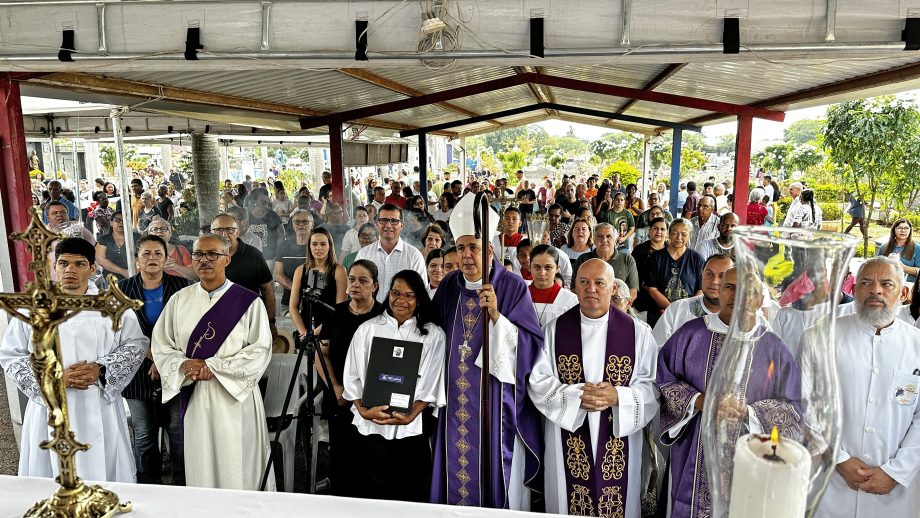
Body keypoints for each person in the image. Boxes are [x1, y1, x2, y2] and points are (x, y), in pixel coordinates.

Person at [657, 266, 802, 518]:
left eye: (748, 290)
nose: (737, 295)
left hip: (751, 452)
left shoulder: (773, 347)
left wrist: (750, 411)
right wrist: (699, 401)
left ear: (759, 298)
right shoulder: (691, 334)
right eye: (730, 287)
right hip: (694, 446)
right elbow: (664, 380)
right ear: (719, 292)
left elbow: (793, 406)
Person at [0, 238, 146, 482]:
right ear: (54, 267)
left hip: (99, 402)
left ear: (92, 268)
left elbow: (136, 345)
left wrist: (101, 369)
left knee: (103, 465)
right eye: (63, 263)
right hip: (51, 404)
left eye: (79, 264)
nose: (70, 270)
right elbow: (11, 354)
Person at [431, 193, 544, 509]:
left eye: (474, 247)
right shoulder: (449, 284)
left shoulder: (511, 286)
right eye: (461, 247)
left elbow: (531, 347)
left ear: (490, 250)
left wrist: (496, 316)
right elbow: (429, 333)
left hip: (494, 403)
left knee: (492, 472)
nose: (466, 255)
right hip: (452, 399)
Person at [528, 259, 659, 517]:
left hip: (619, 434)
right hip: (567, 431)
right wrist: (576, 396)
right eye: (584, 282)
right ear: (574, 286)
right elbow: (538, 380)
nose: (591, 289)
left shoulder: (638, 333)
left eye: (600, 283)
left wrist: (619, 396)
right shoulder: (554, 330)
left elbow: (653, 386)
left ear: (613, 288)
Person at [151, 233, 273, 490]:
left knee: (238, 462)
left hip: (234, 399)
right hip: (195, 397)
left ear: (227, 259)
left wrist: (213, 367)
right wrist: (183, 366)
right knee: (201, 464)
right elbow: (162, 345)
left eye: (213, 254)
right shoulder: (178, 301)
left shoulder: (248, 302)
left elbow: (260, 350)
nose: (204, 260)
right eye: (198, 254)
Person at [813, 257, 920, 517]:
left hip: (896, 492)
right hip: (830, 484)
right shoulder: (821, 336)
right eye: (866, 283)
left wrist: (896, 471)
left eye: (886, 284)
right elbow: (805, 404)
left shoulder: (917, 345)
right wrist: (839, 458)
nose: (876, 290)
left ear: (903, 292)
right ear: (853, 289)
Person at [343, 270, 446, 502]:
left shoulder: (432, 335)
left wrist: (411, 415)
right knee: (372, 491)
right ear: (387, 293)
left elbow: (433, 380)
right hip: (372, 422)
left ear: (419, 298)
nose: (401, 300)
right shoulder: (368, 329)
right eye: (396, 293)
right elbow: (352, 375)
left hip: (411, 426)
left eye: (409, 295)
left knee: (410, 490)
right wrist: (362, 409)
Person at [118, 235, 189, 485]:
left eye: (158, 253)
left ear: (166, 259)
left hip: (174, 369)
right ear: (137, 260)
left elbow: (189, 329)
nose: (152, 258)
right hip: (137, 372)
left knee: (178, 432)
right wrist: (149, 354)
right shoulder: (122, 290)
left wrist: (163, 358)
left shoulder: (183, 287)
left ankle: (183, 486)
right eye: (146, 254)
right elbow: (116, 332)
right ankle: (149, 488)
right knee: (144, 434)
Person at [317, 260, 385, 497]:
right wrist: (335, 386)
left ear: (375, 286)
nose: (355, 285)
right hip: (341, 399)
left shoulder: (383, 316)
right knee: (342, 460)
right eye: (352, 279)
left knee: (372, 463)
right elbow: (321, 353)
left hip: (373, 401)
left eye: (363, 281)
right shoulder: (336, 314)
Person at [210, 214, 276, 337]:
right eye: (218, 230)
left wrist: (271, 322)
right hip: (216, 322)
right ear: (211, 232)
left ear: (238, 232)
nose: (224, 234)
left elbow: (268, 290)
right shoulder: (206, 256)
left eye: (229, 229)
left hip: (249, 321)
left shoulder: (253, 255)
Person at [651, 253, 733, 346]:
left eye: (722, 276)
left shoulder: (742, 319)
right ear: (702, 275)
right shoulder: (677, 309)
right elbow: (656, 350)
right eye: (709, 274)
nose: (714, 281)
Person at [355, 204, 427, 303]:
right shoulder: (363, 254)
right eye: (383, 220)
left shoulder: (414, 255)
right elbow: (357, 288)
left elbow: (421, 292)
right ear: (377, 224)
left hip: (402, 314)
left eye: (394, 221)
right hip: (370, 313)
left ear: (402, 225)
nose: (388, 225)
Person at [646, 219, 705, 328]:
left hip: (688, 315)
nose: (679, 238)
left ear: (690, 235)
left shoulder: (697, 259)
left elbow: (700, 290)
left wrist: (686, 311)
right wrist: (673, 310)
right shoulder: (656, 258)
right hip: (660, 314)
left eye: (684, 234)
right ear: (669, 234)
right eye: (674, 233)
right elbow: (652, 289)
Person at [289, 228, 348, 334]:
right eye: (314, 244)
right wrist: (304, 332)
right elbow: (293, 306)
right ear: (309, 246)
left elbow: (340, 308)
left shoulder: (339, 270)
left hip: (330, 327)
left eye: (323, 244)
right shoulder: (300, 270)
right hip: (305, 327)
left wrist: (318, 331)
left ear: (329, 246)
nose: (318, 248)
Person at [571, 223, 640, 301]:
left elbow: (633, 292)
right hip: (590, 308)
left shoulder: (627, 259)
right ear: (594, 240)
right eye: (600, 236)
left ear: (615, 239)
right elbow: (574, 289)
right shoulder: (583, 259)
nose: (604, 240)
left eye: (608, 236)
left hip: (618, 309)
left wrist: (615, 308)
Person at [528, 244, 579, 328]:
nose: (542, 273)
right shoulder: (519, 297)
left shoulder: (571, 301)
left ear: (557, 269)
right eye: (537, 267)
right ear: (530, 267)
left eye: (548, 267)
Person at [274, 209, 312, 309]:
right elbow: (278, 275)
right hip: (289, 302)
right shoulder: (283, 246)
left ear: (312, 225)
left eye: (305, 222)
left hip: (315, 303)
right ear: (293, 225)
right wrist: (297, 290)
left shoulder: (318, 247)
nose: (301, 225)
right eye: (297, 222)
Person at [95, 211, 139, 281]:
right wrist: (123, 272)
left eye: (124, 220)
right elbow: (100, 260)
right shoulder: (104, 239)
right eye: (117, 220)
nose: (121, 222)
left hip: (135, 277)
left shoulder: (137, 237)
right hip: (110, 279)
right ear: (111, 223)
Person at [876, 218, 920, 282]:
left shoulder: (917, 248)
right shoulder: (884, 247)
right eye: (899, 228)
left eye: (906, 228)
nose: (903, 230)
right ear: (894, 230)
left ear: (910, 230)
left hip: (908, 286)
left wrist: (903, 267)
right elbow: (877, 268)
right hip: (888, 285)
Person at [248, 188, 284, 264]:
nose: (265, 200)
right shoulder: (247, 215)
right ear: (254, 200)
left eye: (266, 197)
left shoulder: (272, 215)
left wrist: (278, 253)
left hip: (269, 258)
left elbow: (281, 235)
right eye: (261, 198)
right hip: (250, 257)